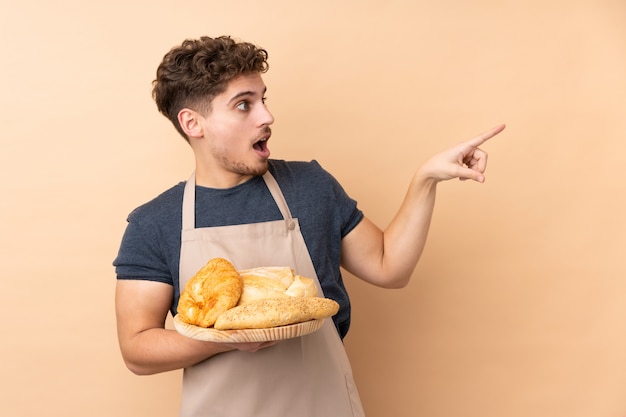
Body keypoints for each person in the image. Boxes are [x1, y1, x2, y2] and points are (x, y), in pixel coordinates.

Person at [113, 35, 505, 417]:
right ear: (192, 123)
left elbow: (389, 267)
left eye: (263, 100)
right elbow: (137, 349)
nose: (267, 117)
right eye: (243, 105)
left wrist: (426, 179)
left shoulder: (309, 187)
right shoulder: (155, 223)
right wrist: (230, 338)